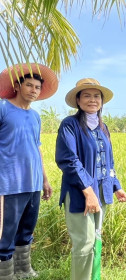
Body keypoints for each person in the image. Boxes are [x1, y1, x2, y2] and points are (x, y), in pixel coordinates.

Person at [55, 78, 126, 280]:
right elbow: (68, 160)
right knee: (84, 243)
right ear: (78, 101)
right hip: (80, 193)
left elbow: (108, 162)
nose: (92, 100)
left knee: (96, 239)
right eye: (86, 95)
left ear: (102, 101)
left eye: (96, 96)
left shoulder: (104, 128)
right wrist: (88, 192)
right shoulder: (70, 125)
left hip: (101, 192)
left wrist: (116, 186)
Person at [0, 63, 58, 280]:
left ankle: (23, 269)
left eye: (37, 87)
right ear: (17, 85)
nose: (34, 90)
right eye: (29, 85)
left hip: (32, 183)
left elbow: (37, 148)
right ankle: (5, 274)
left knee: (26, 229)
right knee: (6, 232)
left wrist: (44, 179)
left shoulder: (35, 116)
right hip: (8, 183)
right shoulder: (3, 108)